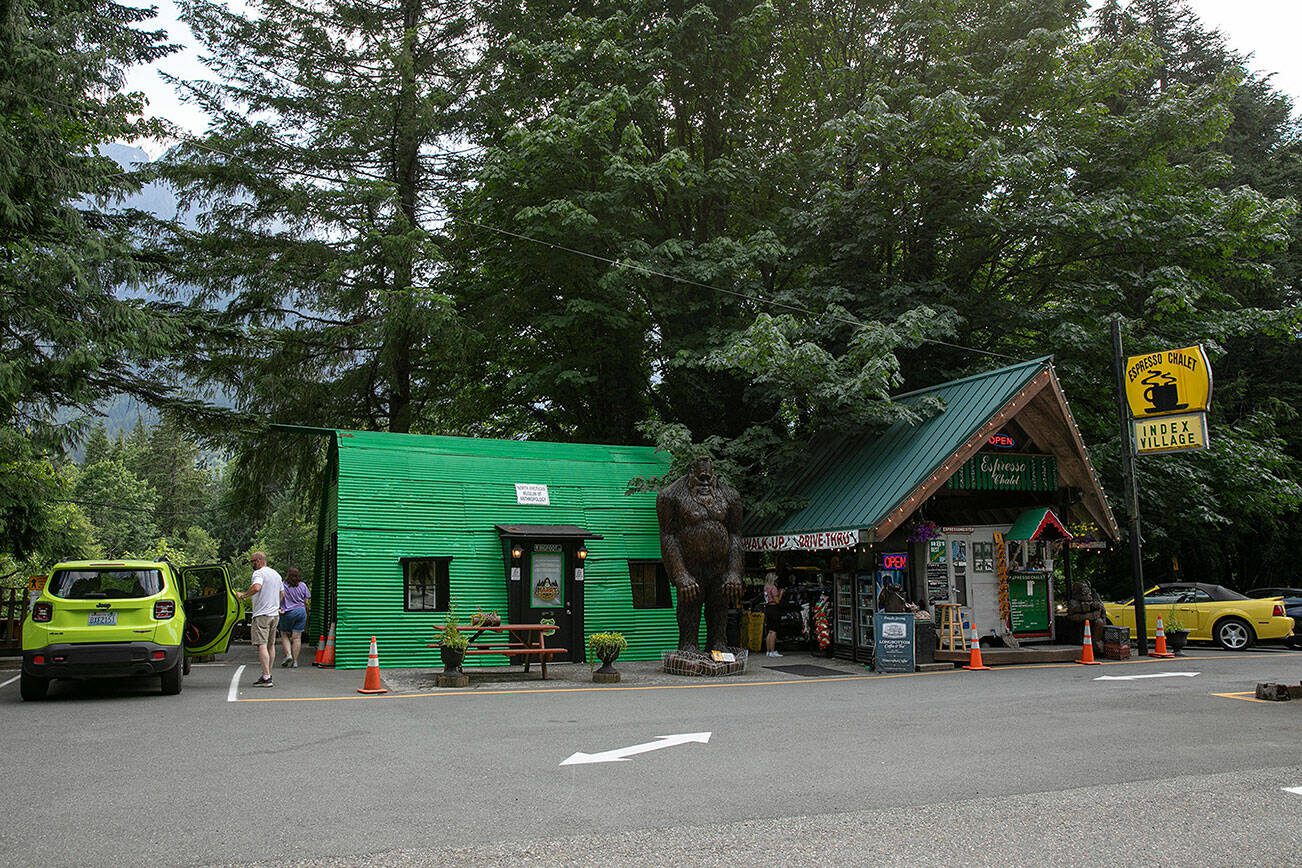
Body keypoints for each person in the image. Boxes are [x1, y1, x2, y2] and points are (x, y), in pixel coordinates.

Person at [237, 552, 283, 687]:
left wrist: (244, 595)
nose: (252, 564)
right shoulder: (276, 574)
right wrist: (275, 605)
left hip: (261, 614)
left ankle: (267, 677)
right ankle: (267, 674)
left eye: (252, 561)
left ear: (258, 561)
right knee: (271, 645)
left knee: (261, 644)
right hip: (274, 614)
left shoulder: (258, 573)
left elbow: (257, 587)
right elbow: (282, 593)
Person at [278, 566, 310, 668]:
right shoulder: (303, 585)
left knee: (284, 634)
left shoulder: (283, 585)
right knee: (297, 638)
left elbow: (280, 597)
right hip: (301, 612)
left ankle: (288, 655)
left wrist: (278, 607)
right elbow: (306, 601)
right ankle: (295, 661)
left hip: (288, 612)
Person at [763, 571, 784, 658]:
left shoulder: (766, 588)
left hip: (768, 608)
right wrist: (781, 594)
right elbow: (777, 601)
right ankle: (773, 650)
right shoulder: (773, 588)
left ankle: (768, 651)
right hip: (774, 608)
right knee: (774, 631)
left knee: (770, 631)